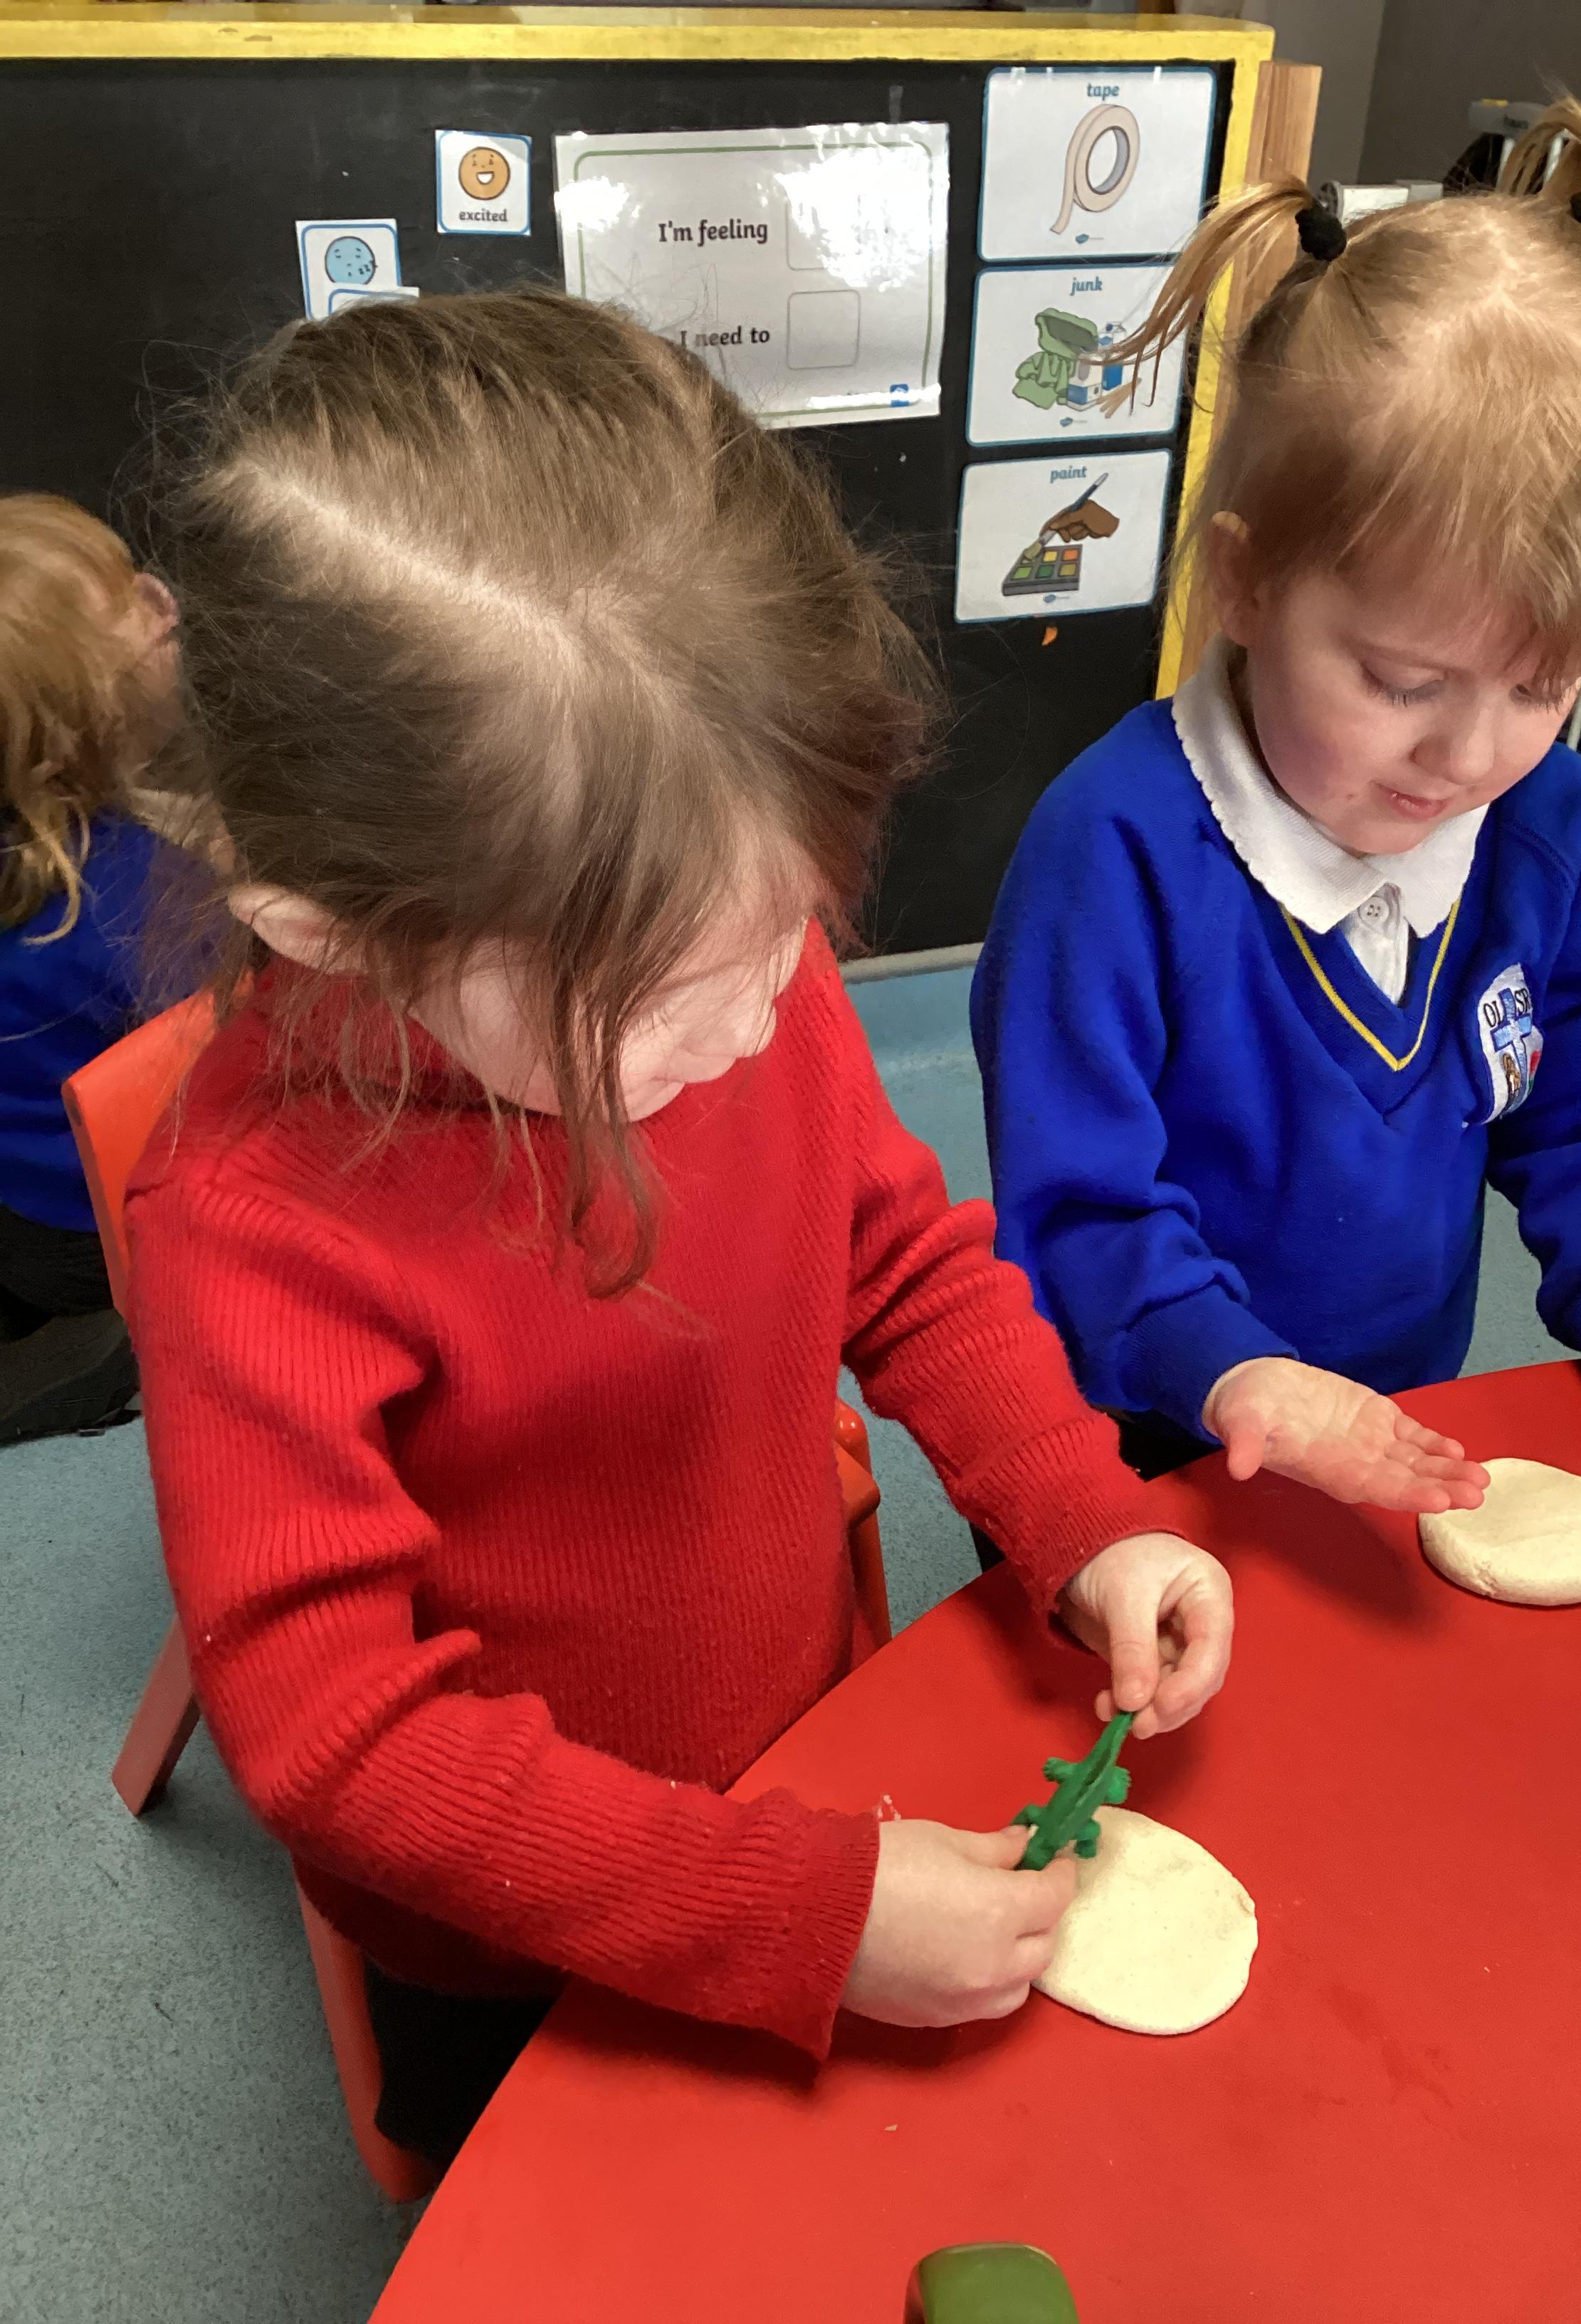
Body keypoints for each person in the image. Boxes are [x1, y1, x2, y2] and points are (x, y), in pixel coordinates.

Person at [125, 290, 1236, 2170]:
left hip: (808, 1753)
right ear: (336, 926)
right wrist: (789, 1911)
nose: (762, 1019)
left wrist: (1080, 1507)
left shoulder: (732, 970)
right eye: (663, 998)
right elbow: (343, 1740)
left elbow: (900, 1257)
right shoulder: (252, 1227)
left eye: (788, 927)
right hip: (517, 1939)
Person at [972, 90, 1581, 1527]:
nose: (1469, 755)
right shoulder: (1115, 852)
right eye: (1402, 682)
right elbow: (1078, 1201)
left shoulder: (1552, 827)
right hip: (1134, 1445)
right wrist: (1233, 1370)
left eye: (1545, 686)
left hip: (1393, 1431)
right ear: (1247, 582)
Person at [0, 494, 181, 1444]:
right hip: (81, 1230)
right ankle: (95, 1365)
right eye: (125, 598)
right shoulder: (144, 897)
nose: (157, 597)